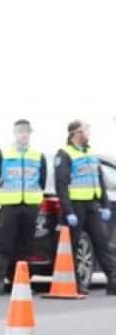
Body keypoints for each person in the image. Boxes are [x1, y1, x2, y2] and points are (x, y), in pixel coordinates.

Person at [53, 119, 116, 295]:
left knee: (102, 242)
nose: (89, 133)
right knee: (72, 246)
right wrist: (69, 211)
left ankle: (113, 280)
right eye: (86, 130)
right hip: (75, 206)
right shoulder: (64, 154)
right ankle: (76, 283)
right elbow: (61, 185)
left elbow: (100, 181)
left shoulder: (90, 153)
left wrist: (104, 205)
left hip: (92, 205)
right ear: (76, 133)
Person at [0, 120, 46, 296]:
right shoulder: (2, 154)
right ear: (15, 133)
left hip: (30, 206)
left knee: (26, 246)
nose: (24, 135)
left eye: (27, 132)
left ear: (30, 134)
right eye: (20, 131)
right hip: (9, 205)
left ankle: (22, 282)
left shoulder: (38, 155)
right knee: (5, 244)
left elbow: (42, 180)